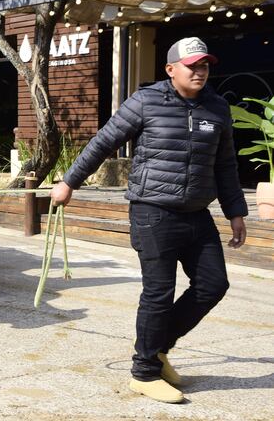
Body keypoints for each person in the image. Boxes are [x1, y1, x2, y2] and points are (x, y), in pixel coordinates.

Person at [51, 37, 247, 404]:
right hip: (152, 211)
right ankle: (143, 373)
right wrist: (68, 182)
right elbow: (102, 143)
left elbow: (225, 166)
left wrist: (236, 212)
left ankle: (156, 349)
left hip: (197, 213)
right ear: (171, 69)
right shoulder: (146, 101)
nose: (200, 71)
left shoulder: (217, 108)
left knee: (213, 285)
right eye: (193, 66)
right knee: (159, 294)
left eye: (205, 65)